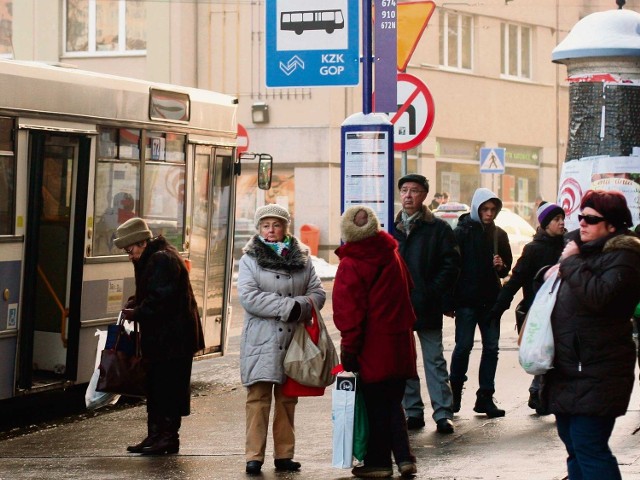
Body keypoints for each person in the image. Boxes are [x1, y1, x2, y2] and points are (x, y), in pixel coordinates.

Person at [541, 190, 640, 480]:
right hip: (567, 369)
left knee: (589, 445)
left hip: (598, 370)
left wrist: (570, 264)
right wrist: (548, 272)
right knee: (574, 445)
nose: (582, 223)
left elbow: (602, 297)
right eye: (581, 216)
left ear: (612, 225)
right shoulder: (582, 251)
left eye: (591, 219)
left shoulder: (625, 257)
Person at [237, 204, 325, 475]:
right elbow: (249, 298)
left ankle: (285, 455)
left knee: (288, 400)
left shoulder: (303, 258)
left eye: (276, 225)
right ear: (259, 229)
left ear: (286, 227)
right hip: (261, 341)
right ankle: (254, 456)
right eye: (265, 225)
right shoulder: (249, 259)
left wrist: (304, 305)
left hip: (293, 340)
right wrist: (291, 307)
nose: (271, 230)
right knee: (258, 398)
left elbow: (318, 293)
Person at [333, 205, 418, 479]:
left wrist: (350, 349)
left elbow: (349, 312)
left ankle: (379, 462)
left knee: (375, 404)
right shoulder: (392, 253)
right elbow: (410, 287)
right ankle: (405, 458)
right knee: (393, 401)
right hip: (400, 341)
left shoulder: (352, 263)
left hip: (372, 345)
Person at [115, 217, 205, 455]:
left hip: (173, 340)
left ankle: (167, 438)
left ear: (142, 242)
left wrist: (138, 311)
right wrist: (138, 301)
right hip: (166, 339)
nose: (129, 254)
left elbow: (161, 300)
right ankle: (155, 435)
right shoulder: (155, 257)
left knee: (168, 388)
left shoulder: (161, 259)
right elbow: (154, 291)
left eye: (130, 249)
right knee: (156, 386)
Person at [392, 174, 461, 434]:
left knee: (434, 360)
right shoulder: (390, 226)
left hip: (427, 303)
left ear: (425, 196)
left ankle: (443, 413)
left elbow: (451, 263)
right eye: (404, 190)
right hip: (398, 305)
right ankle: (413, 412)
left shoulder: (438, 229)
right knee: (404, 361)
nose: (408, 196)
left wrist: (432, 291)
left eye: (415, 191)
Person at [489, 202, 566, 413]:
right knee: (545, 352)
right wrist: (498, 308)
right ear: (544, 224)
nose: (561, 223)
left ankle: (544, 393)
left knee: (558, 355)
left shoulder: (568, 246)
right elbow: (515, 280)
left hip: (564, 312)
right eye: (556, 220)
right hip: (539, 314)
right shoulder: (533, 250)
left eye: (562, 219)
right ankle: (538, 392)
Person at [448, 188, 512, 418]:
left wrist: (500, 265)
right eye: (485, 209)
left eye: (493, 209)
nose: (489, 213)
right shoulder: (461, 233)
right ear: (476, 208)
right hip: (466, 301)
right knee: (463, 346)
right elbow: (451, 267)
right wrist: (449, 301)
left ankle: (485, 396)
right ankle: (453, 394)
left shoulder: (499, 235)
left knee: (492, 348)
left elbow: (507, 268)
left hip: (490, 302)